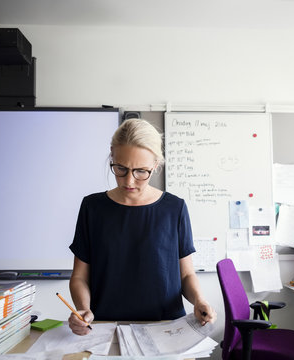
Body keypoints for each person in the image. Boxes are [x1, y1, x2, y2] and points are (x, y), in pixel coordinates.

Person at [68, 118, 216, 335]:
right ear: (112, 155)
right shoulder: (92, 207)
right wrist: (83, 309)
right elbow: (80, 276)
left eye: (140, 171)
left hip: (166, 328)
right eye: (120, 168)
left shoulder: (175, 208)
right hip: (106, 328)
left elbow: (185, 275)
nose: (129, 181)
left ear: (155, 165)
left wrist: (199, 300)